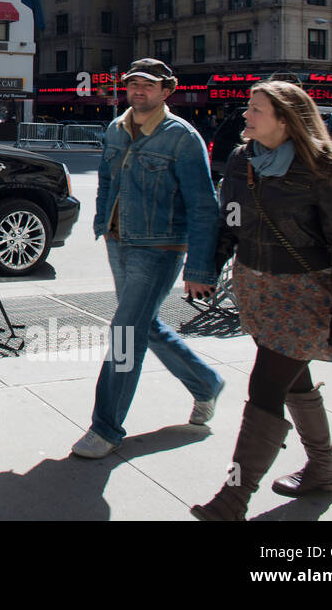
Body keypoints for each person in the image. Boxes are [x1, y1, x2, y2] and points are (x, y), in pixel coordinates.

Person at [191, 81, 332, 520]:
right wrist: (206, 269)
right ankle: (322, 470)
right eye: (249, 107)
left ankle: (234, 496)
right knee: (293, 380)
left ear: (285, 120)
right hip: (257, 288)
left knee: (265, 386)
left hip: (304, 294)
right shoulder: (241, 160)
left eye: (257, 110)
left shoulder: (323, 169)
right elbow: (230, 222)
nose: (246, 115)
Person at [72, 58, 224, 458]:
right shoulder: (115, 129)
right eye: (133, 83)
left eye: (148, 85)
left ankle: (105, 428)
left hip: (159, 249)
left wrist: (199, 269)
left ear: (166, 90)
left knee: (125, 333)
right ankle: (206, 382)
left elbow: (204, 207)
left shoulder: (182, 138)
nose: (138, 91)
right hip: (119, 244)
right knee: (143, 327)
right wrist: (104, 223)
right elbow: (107, 181)